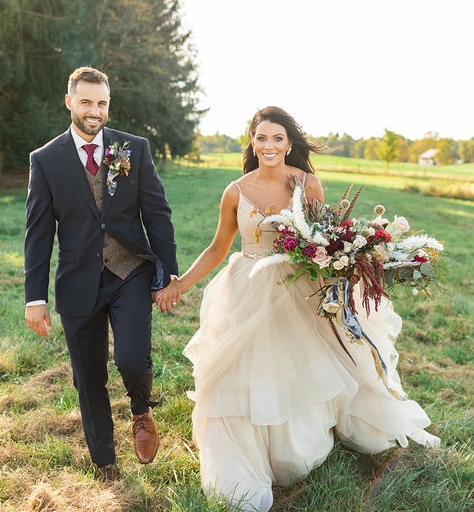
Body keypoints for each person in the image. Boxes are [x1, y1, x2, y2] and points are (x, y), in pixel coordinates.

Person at [177, 107, 440, 511]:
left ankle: (296, 446)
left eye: (277, 138)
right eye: (262, 138)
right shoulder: (235, 190)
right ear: (251, 141)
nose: (269, 146)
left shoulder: (307, 183)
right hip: (246, 288)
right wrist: (179, 284)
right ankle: (248, 454)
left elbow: (326, 239)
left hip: (297, 286)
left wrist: (352, 270)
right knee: (242, 370)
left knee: (302, 365)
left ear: (288, 143)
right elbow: (217, 247)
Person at [24, 66, 180, 482]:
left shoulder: (134, 149)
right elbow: (38, 234)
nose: (95, 111)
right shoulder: (46, 160)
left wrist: (168, 275)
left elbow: (158, 215)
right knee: (88, 376)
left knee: (130, 359)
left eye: (103, 103)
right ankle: (104, 462)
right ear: (70, 101)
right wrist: (34, 298)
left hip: (129, 271)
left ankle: (141, 409)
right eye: (87, 102)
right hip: (77, 282)